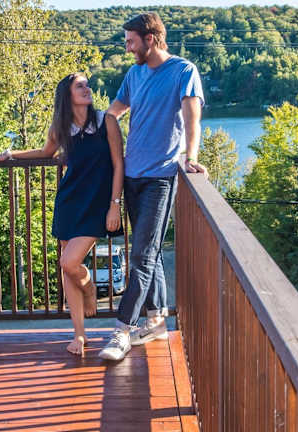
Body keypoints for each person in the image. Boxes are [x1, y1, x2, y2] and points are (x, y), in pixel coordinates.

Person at [0, 72, 124, 356]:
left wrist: (115, 203)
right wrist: (11, 155)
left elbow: (118, 165)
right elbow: (45, 152)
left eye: (87, 85)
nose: (87, 89)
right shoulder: (60, 128)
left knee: (69, 262)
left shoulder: (106, 121)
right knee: (67, 267)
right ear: (67, 95)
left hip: (97, 203)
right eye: (80, 86)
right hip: (69, 201)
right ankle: (79, 334)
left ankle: (89, 288)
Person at [99, 13, 207, 361]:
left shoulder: (183, 71)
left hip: (161, 178)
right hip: (132, 176)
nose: (127, 48)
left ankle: (122, 330)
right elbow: (112, 114)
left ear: (150, 38)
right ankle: (157, 321)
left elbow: (192, 118)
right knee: (151, 253)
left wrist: (191, 157)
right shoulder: (134, 74)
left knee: (141, 257)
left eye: (131, 41)